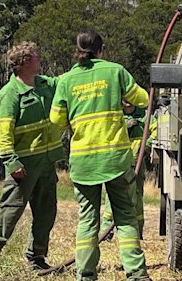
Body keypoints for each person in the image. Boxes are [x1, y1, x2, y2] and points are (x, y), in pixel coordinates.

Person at [49, 29, 152, 281]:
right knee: (125, 216)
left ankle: (85, 274)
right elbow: (143, 98)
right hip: (115, 159)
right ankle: (136, 274)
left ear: (78, 50)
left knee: (87, 220)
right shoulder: (114, 71)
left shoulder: (66, 80)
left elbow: (56, 119)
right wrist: (120, 102)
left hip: (83, 162)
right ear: (101, 50)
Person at [0, 42, 64, 278]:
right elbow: (2, 133)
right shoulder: (9, 94)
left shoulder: (45, 84)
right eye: (35, 56)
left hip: (46, 163)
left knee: (46, 213)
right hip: (23, 166)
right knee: (9, 213)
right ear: (23, 62)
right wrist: (11, 161)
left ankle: (36, 258)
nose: (39, 58)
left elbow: (66, 81)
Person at [102, 101, 152, 239]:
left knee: (136, 197)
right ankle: (106, 232)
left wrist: (145, 146)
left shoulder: (145, 115)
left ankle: (137, 231)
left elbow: (156, 129)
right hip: (117, 162)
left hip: (136, 163)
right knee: (111, 196)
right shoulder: (115, 113)